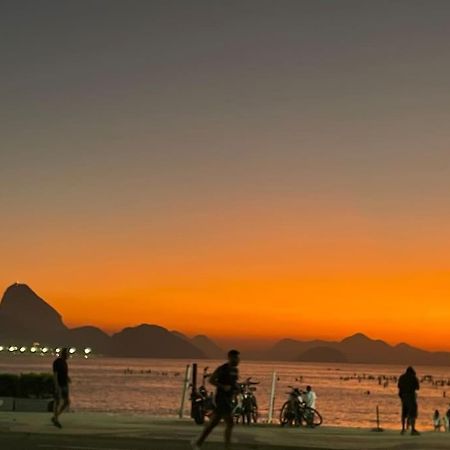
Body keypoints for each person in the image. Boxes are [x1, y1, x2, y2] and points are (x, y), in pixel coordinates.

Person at [191, 350, 240, 450]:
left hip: (228, 399)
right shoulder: (223, 369)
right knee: (229, 422)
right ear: (230, 357)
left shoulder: (235, 370)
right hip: (221, 399)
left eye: (238, 358)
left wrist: (237, 388)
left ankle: (198, 442)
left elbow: (233, 383)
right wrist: (223, 387)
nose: (238, 360)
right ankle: (226, 447)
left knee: (215, 423)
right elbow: (211, 380)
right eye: (235, 358)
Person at [51, 347, 71, 428]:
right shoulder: (57, 362)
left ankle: (55, 417)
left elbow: (63, 373)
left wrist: (67, 378)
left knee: (66, 402)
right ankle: (55, 419)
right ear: (64, 354)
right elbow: (55, 375)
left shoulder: (65, 362)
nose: (68, 355)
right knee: (57, 402)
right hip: (59, 385)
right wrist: (56, 386)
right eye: (67, 354)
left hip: (65, 384)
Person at [398, 366, 420, 435]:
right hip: (411, 397)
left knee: (404, 414)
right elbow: (418, 388)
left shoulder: (401, 377)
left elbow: (399, 386)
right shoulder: (413, 378)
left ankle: (403, 429)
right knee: (413, 413)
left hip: (403, 397)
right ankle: (413, 429)